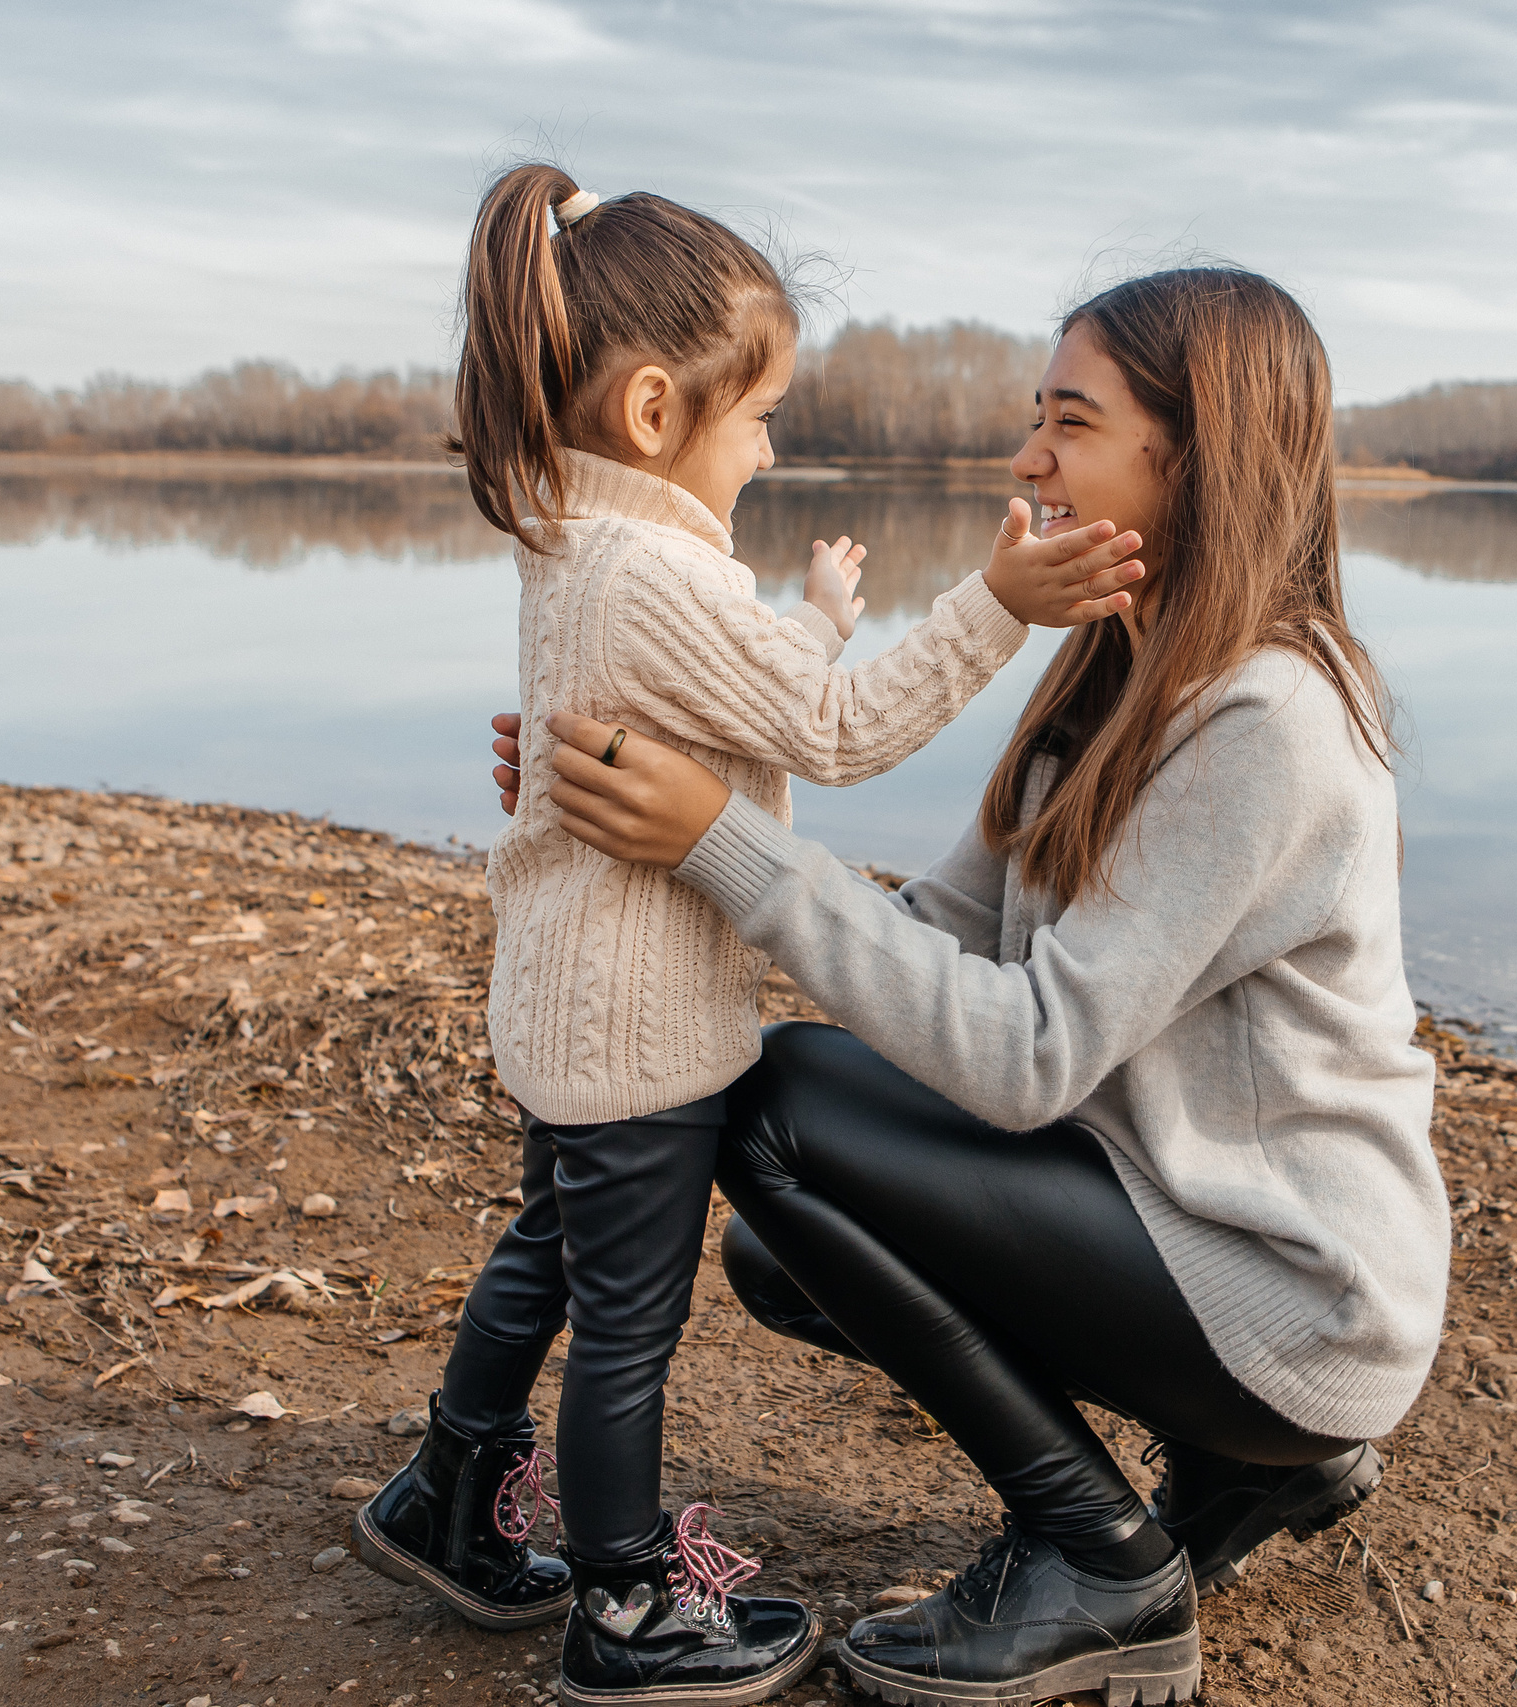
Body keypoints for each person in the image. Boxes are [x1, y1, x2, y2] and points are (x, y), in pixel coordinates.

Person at [499, 266, 1449, 1707]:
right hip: (1180, 1217)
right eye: (1037, 417)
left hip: (1300, 1293)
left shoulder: (1274, 720)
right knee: (784, 1242)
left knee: (775, 1113)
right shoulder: (1117, 668)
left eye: (1071, 423)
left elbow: (1023, 1058)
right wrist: (644, 819)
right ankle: (1246, 1470)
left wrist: (717, 839)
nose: (1028, 459)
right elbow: (941, 927)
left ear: (1200, 455)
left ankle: (1103, 1558)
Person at [352, 162, 1151, 1707]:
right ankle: (630, 1607)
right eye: (761, 415)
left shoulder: (579, 537)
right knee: (628, 1332)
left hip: (564, 1002)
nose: (772, 443)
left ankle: (448, 1491)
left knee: (551, 1254)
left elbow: (733, 691)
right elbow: (834, 736)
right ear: (657, 414)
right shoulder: (657, 568)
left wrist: (822, 617)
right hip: (639, 1032)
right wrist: (997, 608)